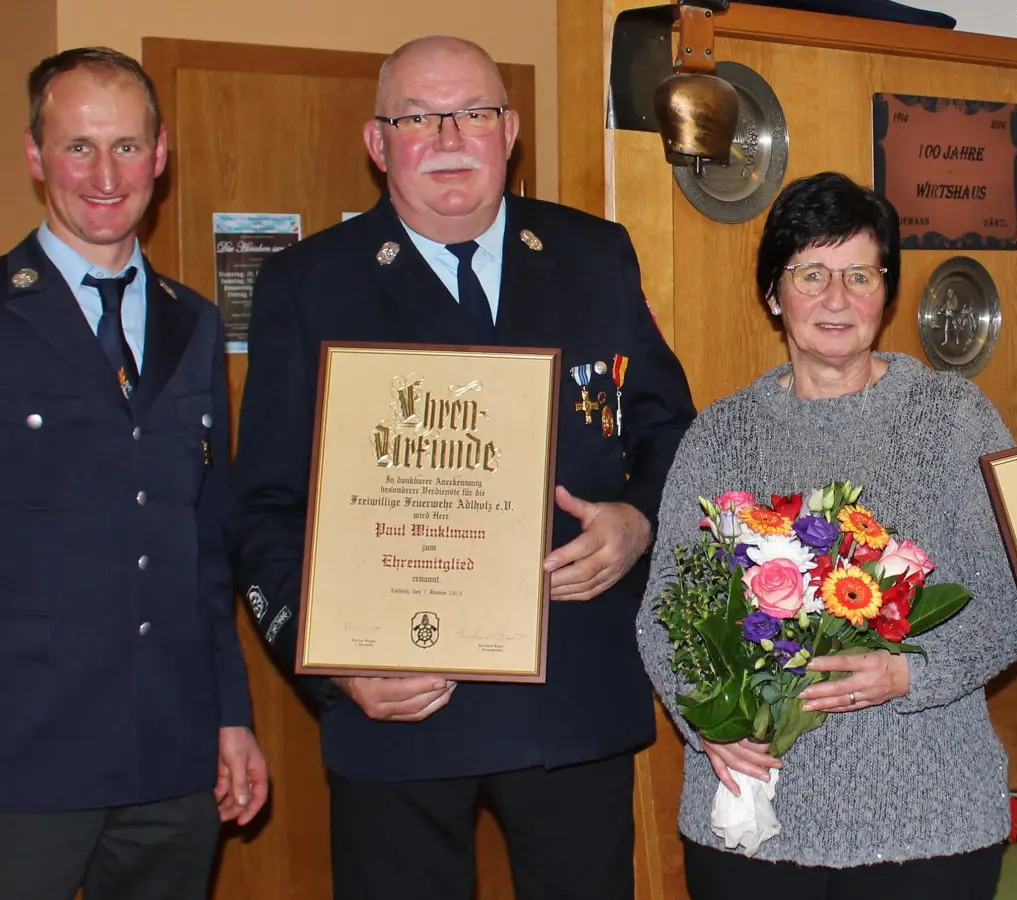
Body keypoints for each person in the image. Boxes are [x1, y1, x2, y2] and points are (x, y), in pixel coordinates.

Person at [227, 34, 696, 900]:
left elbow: (673, 434)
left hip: (571, 694)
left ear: (509, 131)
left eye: (473, 113)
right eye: (418, 117)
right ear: (378, 143)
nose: (449, 137)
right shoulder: (311, 284)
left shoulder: (596, 256)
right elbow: (264, 504)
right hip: (397, 704)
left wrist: (638, 522)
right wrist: (329, 662)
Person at [635, 171, 1017, 899]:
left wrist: (913, 673)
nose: (837, 299)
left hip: (928, 826)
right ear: (773, 294)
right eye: (811, 273)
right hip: (755, 826)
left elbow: (1015, 603)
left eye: (860, 274)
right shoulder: (721, 436)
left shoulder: (954, 419)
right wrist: (705, 723)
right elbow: (665, 611)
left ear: (888, 291)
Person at [0, 47, 266, 900]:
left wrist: (231, 714)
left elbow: (205, 547)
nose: (105, 174)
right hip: (24, 759)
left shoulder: (192, 325)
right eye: (78, 147)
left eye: (126, 145)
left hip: (171, 751)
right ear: (37, 158)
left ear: (162, 154)